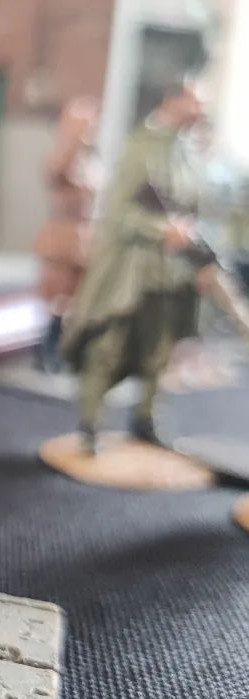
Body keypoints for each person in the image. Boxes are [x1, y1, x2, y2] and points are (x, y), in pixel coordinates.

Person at [64, 79, 249, 453]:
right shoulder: (141, 147)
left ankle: (145, 419)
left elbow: (197, 209)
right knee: (108, 347)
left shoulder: (187, 153)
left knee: (160, 351)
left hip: (174, 270)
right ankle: (91, 424)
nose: (201, 110)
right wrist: (163, 229)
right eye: (194, 102)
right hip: (133, 269)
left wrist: (197, 254)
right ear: (172, 100)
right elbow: (119, 212)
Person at [33, 97, 101, 372]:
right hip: (65, 234)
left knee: (76, 298)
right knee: (58, 298)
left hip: (84, 235)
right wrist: (73, 139)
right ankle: (47, 352)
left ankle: (64, 350)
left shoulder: (91, 160)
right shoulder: (64, 158)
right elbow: (57, 175)